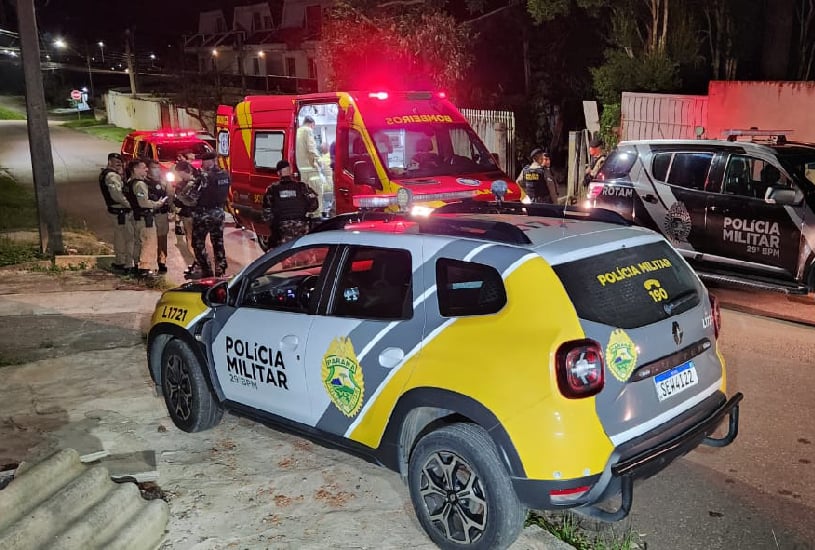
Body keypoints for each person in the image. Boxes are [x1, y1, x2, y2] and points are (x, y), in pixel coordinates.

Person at [188, 152, 230, 278]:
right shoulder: (225, 174)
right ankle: (220, 270)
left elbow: (192, 196)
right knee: (218, 242)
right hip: (219, 213)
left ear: (210, 161)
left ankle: (206, 271)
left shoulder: (204, 176)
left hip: (204, 214)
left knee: (198, 243)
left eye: (203, 161)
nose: (202, 164)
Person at [123, 159, 168, 277]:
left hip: (136, 217)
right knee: (149, 242)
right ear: (135, 169)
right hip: (144, 218)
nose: (146, 169)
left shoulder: (129, 182)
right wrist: (157, 204)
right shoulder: (139, 184)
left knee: (138, 242)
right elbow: (143, 203)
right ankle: (145, 268)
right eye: (143, 167)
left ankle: (138, 265)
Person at [262, 159, 319, 245]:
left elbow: (266, 214)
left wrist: (275, 225)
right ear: (290, 170)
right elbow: (314, 205)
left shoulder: (272, 189)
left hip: (282, 231)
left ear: (278, 173)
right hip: (302, 228)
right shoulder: (302, 187)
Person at [98, 153, 134, 273]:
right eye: (117, 162)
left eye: (121, 163)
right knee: (128, 238)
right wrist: (129, 205)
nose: (120, 165)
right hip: (121, 212)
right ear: (110, 162)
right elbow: (117, 195)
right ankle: (128, 264)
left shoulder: (106, 174)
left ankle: (120, 261)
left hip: (116, 211)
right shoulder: (112, 176)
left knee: (119, 236)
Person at [296, 115, 326, 216]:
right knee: (317, 195)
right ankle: (317, 216)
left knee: (305, 196)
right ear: (312, 124)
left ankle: (307, 215)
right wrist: (320, 162)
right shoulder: (307, 130)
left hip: (302, 170)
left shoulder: (298, 131)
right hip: (311, 171)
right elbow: (311, 149)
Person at [145, 160, 172, 273]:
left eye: (158, 167)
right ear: (148, 169)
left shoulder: (164, 181)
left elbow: (170, 195)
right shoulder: (143, 181)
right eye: (153, 167)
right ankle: (146, 264)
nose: (156, 170)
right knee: (148, 240)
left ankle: (162, 261)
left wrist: (171, 210)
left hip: (161, 215)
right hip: (148, 215)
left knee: (162, 239)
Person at [172, 161, 198, 270]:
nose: (179, 175)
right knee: (194, 240)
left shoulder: (190, 184)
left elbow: (190, 201)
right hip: (193, 214)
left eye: (179, 173)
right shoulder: (196, 181)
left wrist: (180, 198)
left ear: (183, 172)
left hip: (190, 215)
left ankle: (198, 263)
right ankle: (198, 262)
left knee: (191, 239)